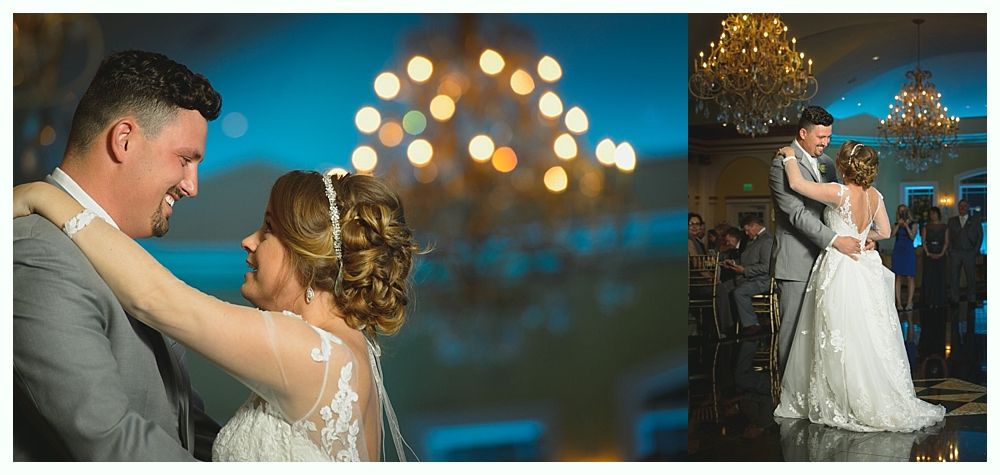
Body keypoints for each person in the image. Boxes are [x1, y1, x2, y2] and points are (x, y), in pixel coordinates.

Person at [14, 170, 419, 461]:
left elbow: (156, 297)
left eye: (268, 230)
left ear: (306, 257)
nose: (249, 241)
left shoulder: (310, 351)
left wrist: (41, 196)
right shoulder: (350, 347)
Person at [13, 50, 223, 461]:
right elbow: (110, 443)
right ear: (123, 139)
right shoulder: (38, 254)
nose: (191, 186)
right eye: (185, 160)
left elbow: (185, 420)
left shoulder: (118, 256)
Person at [772, 140, 945, 432]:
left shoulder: (838, 192)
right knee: (867, 333)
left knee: (838, 331)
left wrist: (789, 156)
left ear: (842, 165)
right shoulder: (875, 196)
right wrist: (870, 238)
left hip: (840, 266)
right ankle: (869, 393)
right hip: (866, 268)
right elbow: (886, 231)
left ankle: (844, 398)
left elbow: (798, 185)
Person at [768, 105, 864, 372]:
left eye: (829, 137)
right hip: (796, 260)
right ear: (803, 133)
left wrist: (860, 234)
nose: (826, 143)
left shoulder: (828, 163)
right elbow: (796, 214)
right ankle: (787, 398)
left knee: (821, 329)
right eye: (821, 137)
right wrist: (835, 240)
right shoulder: (781, 163)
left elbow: (841, 204)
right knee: (793, 330)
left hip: (829, 261)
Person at [715, 215, 772, 337]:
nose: (746, 233)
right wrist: (734, 264)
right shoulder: (754, 240)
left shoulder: (767, 240)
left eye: (747, 230)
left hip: (761, 280)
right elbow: (749, 260)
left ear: (755, 226)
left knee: (739, 292)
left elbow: (767, 267)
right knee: (721, 288)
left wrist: (744, 270)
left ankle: (752, 324)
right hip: (747, 277)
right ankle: (728, 325)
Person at [947, 199, 983, 304]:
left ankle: (971, 298)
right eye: (960, 206)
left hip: (969, 253)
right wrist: (950, 250)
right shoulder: (952, 220)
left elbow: (980, 236)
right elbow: (948, 236)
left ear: (968, 207)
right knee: (954, 277)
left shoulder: (975, 220)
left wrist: (975, 250)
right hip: (955, 253)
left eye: (964, 206)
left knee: (971, 277)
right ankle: (955, 299)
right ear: (958, 208)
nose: (962, 208)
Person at [920, 207, 949, 308]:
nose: (933, 215)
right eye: (931, 214)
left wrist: (941, 253)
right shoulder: (926, 226)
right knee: (929, 278)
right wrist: (928, 253)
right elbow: (923, 241)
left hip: (941, 254)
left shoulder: (944, 227)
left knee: (939, 278)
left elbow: (946, 242)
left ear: (938, 214)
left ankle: (939, 301)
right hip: (928, 254)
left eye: (934, 213)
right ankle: (929, 301)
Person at [891, 204, 918, 311]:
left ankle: (910, 302)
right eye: (900, 211)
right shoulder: (896, 223)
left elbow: (912, 236)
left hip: (908, 251)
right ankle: (899, 303)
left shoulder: (914, 224)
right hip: (898, 251)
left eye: (904, 211)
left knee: (910, 277)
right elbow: (892, 234)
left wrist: (906, 226)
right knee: (898, 276)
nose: (902, 213)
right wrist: (899, 225)